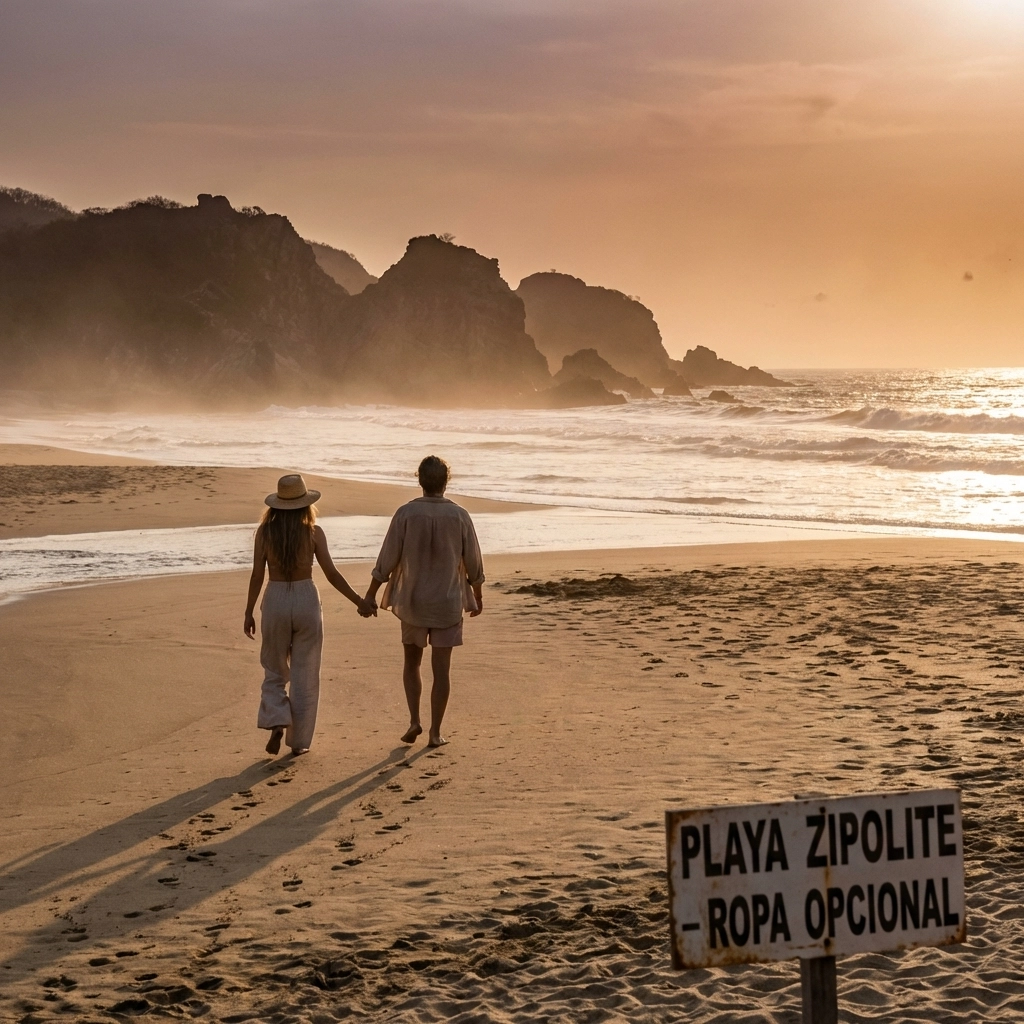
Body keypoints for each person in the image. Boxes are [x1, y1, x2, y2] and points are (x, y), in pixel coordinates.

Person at [244, 474, 373, 756]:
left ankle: (277, 718)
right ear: (305, 504)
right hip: (306, 599)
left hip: (275, 597)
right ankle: (298, 741)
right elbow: (332, 574)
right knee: (306, 673)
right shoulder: (314, 532)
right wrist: (359, 601)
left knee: (274, 667)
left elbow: (256, 576)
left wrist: (249, 611)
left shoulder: (265, 533)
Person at [363, 456, 484, 748]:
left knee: (412, 662)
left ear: (420, 480)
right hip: (448, 601)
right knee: (441, 670)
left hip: (413, 601)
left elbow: (387, 558)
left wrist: (371, 593)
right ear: (446, 481)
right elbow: (474, 562)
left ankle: (414, 720)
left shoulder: (405, 514)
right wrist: (477, 597)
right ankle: (435, 732)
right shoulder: (460, 516)